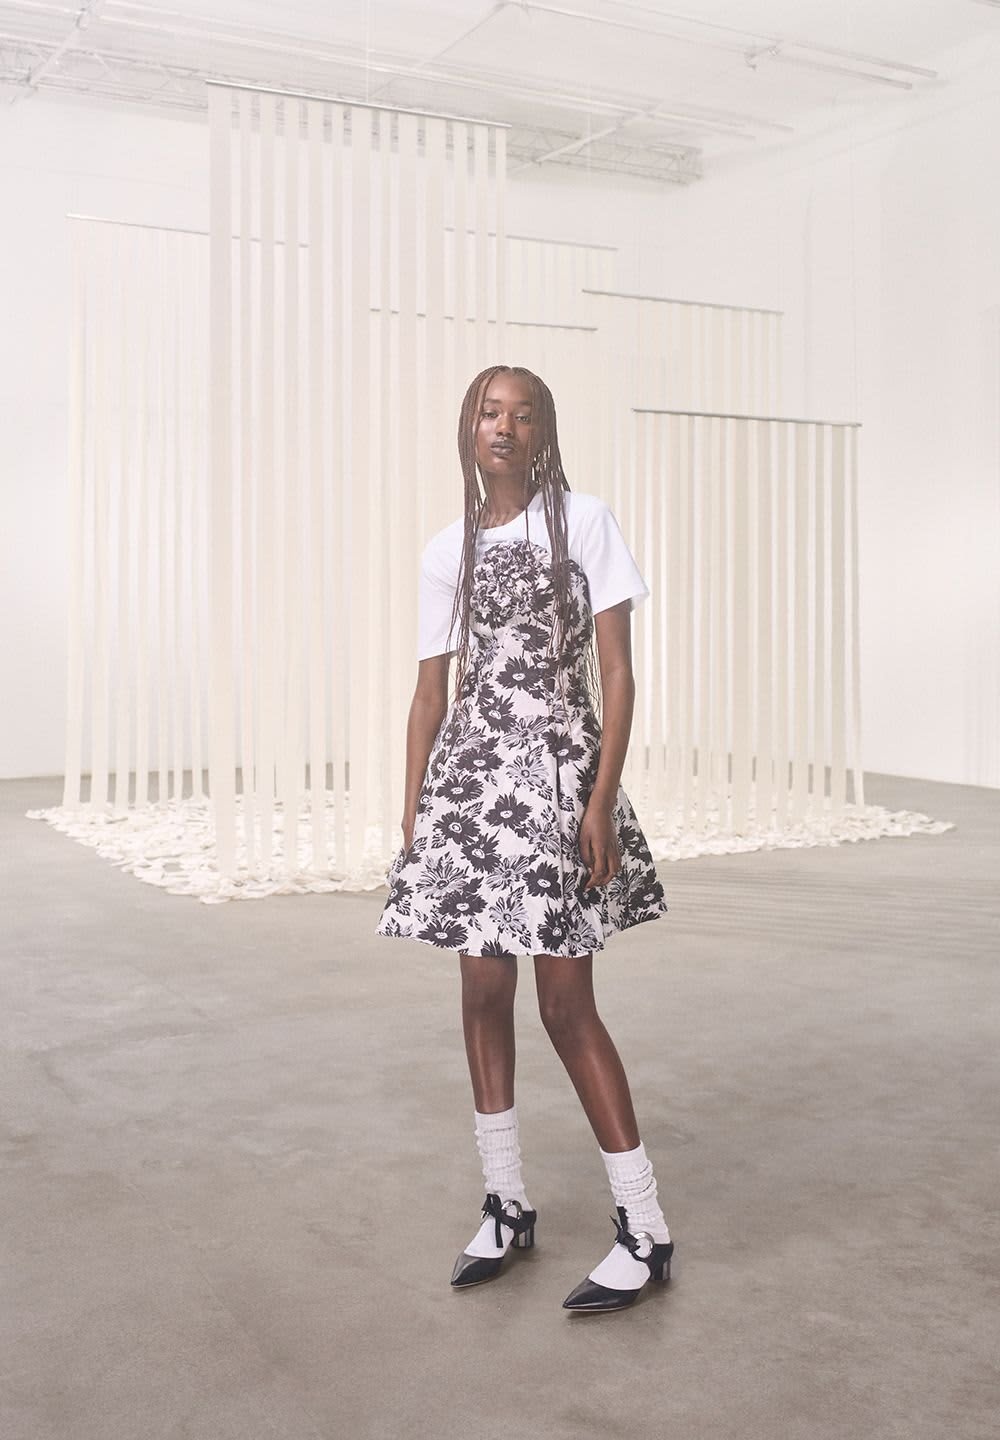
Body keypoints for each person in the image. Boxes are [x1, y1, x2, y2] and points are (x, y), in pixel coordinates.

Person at [376, 364, 673, 1313]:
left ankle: (644, 1226)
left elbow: (618, 676)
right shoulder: (443, 551)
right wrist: (415, 815)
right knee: (480, 988)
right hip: (470, 779)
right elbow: (431, 692)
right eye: (487, 412)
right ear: (468, 429)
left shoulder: (584, 522)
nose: (503, 427)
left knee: (563, 1003)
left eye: (522, 414)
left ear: (544, 432)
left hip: (552, 774)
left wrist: (598, 796)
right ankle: (507, 1203)